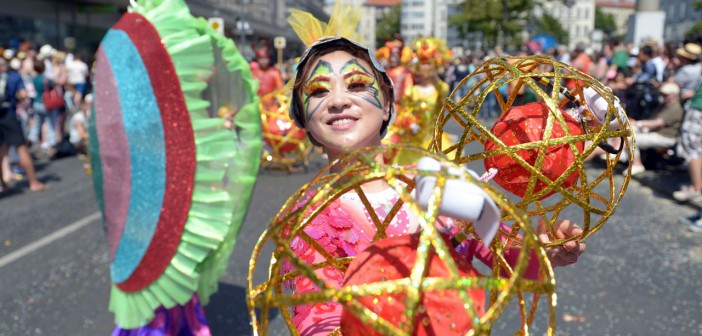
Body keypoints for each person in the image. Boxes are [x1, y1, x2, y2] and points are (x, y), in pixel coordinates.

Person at [284, 7, 586, 335]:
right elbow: (319, 319)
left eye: (356, 84)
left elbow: (503, 254)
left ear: (386, 103)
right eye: (318, 91)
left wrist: (542, 251)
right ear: (304, 119)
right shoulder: (311, 220)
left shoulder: (436, 181)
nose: (338, 100)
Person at [0, 57, 48, 193]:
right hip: (8, 114)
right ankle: (33, 182)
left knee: (1, 151)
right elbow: (23, 94)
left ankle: (3, 184)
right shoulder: (14, 76)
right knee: (22, 148)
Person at [628, 83, 684, 175]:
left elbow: (658, 123)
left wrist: (638, 123)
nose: (663, 97)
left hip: (666, 137)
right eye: (662, 94)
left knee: (631, 139)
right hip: (656, 132)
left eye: (666, 95)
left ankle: (637, 164)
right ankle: (619, 154)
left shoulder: (675, 108)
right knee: (629, 130)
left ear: (675, 95)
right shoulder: (664, 105)